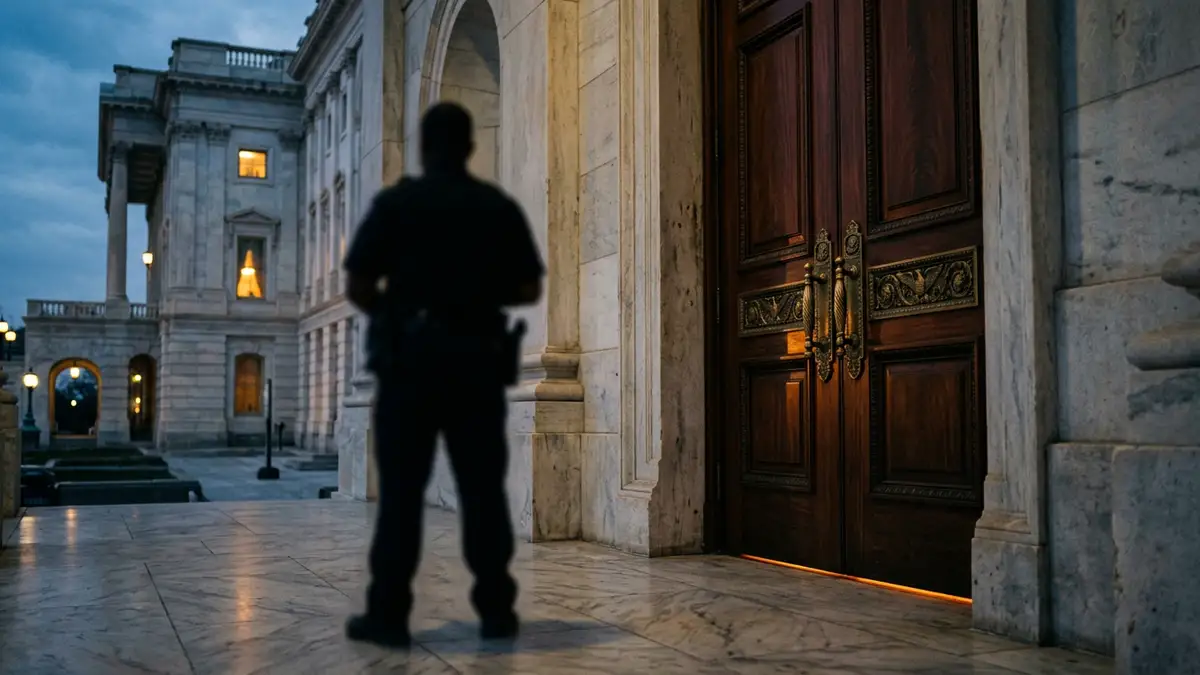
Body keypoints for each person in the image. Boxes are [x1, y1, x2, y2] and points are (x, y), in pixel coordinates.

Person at [341, 102, 544, 648]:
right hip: (476, 364)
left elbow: (358, 283)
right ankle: (496, 610)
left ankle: (388, 613)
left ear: (425, 147)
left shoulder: (396, 205)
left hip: (408, 367)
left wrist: (400, 307)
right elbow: (528, 288)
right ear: (469, 147)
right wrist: (476, 295)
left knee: (402, 496)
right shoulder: (493, 207)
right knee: (482, 491)